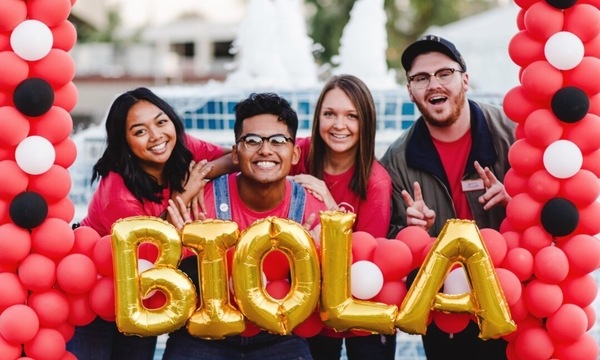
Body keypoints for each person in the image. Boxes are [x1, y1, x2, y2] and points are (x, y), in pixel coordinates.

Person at [67, 87, 233, 360]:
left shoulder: (180, 147)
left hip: (142, 292)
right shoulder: (118, 191)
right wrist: (185, 194)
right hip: (96, 291)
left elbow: (230, 157)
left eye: (161, 121)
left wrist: (197, 176)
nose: (156, 136)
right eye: (140, 131)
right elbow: (154, 253)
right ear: (125, 142)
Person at [162, 92, 327, 360]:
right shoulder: (201, 202)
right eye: (252, 140)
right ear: (236, 153)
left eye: (278, 141)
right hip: (205, 334)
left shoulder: (311, 207)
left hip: (279, 335)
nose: (265, 150)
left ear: (295, 153)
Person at [380, 35, 516, 359]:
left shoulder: (512, 134)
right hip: (446, 313)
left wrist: (516, 201)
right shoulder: (397, 159)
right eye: (421, 78)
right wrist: (413, 230)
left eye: (444, 73)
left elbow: (555, 208)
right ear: (410, 91)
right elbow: (388, 244)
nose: (433, 84)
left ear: (465, 80)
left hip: (512, 297)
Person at [290, 74, 395, 359]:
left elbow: (366, 265)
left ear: (366, 123)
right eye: (330, 114)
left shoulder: (376, 182)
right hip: (311, 306)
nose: (339, 125)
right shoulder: (299, 154)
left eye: (352, 116)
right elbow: (255, 157)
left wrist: (331, 208)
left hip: (362, 307)